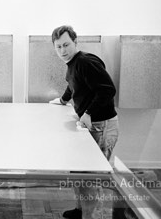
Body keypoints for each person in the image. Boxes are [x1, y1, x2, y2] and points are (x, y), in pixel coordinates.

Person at [49, 25, 119, 219]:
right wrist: (62, 100)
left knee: (89, 178)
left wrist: (88, 112)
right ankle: (80, 211)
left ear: (75, 42)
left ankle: (88, 216)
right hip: (89, 125)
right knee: (79, 172)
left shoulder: (86, 62)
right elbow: (72, 86)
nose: (62, 51)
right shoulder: (73, 64)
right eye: (58, 47)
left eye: (66, 45)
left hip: (102, 125)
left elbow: (108, 90)